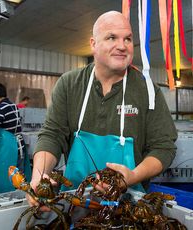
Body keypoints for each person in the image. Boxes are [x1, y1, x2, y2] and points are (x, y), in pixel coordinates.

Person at [27, 11, 177, 209]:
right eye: (111, 37)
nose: (122, 46)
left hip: (129, 204)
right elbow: (52, 135)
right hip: (75, 202)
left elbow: (164, 147)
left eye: (128, 39)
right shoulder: (69, 83)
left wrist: (133, 176)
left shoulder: (148, 90)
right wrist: (39, 174)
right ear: (93, 44)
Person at [0, 83, 31, 193]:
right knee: (18, 177)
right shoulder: (13, 105)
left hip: (6, 151)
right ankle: (20, 198)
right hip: (18, 148)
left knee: (5, 178)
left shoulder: (0, 109)